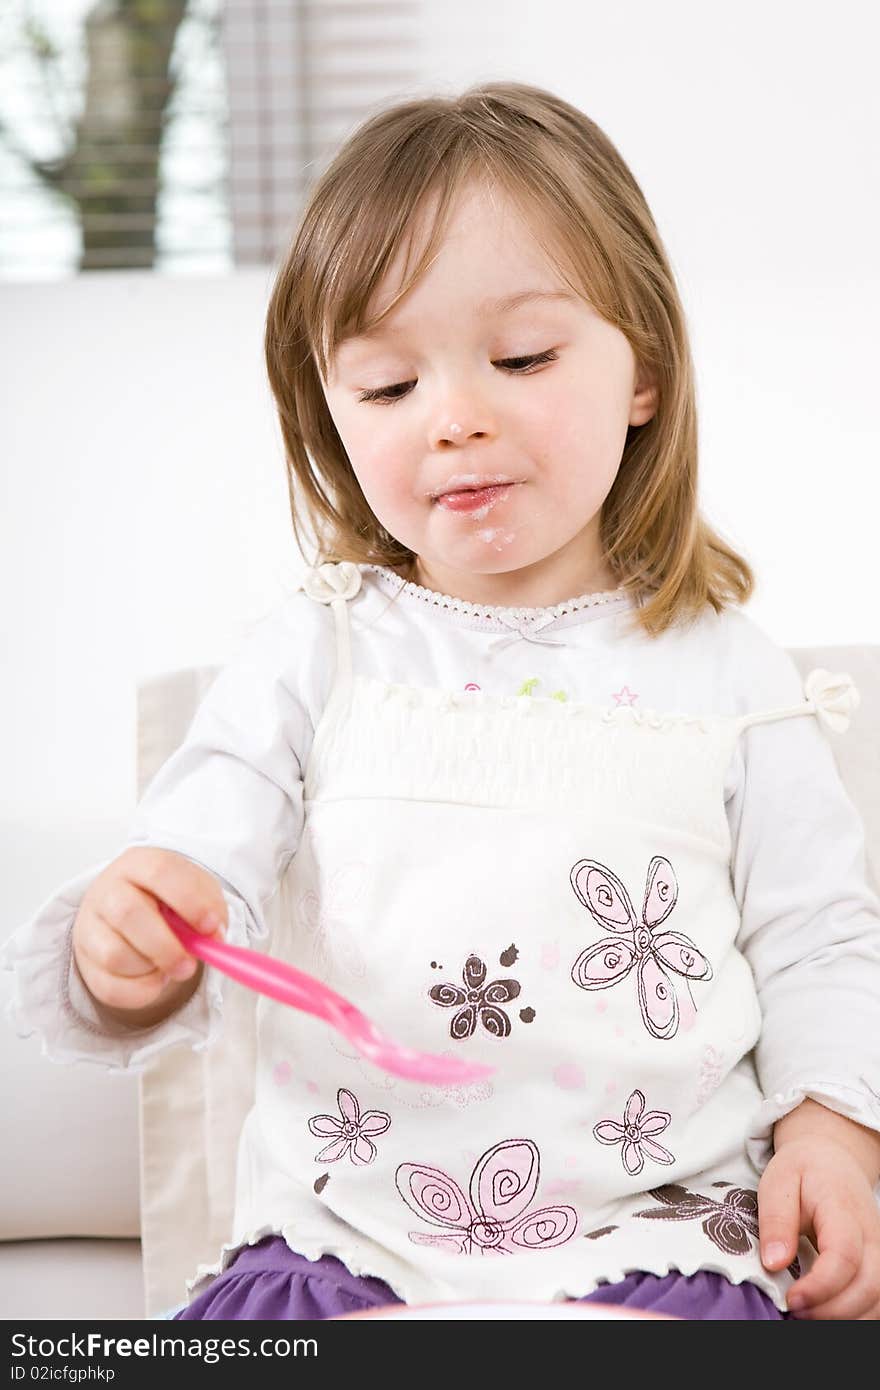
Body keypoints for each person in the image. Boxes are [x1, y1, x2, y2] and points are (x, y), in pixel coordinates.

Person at [4, 81, 880, 1323]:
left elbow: (818, 943)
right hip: (340, 1231)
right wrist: (132, 943)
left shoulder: (730, 673)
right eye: (384, 387)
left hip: (662, 1236)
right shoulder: (315, 653)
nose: (455, 419)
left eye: (519, 358)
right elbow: (194, 871)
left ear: (643, 371)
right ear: (331, 419)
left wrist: (835, 1143)